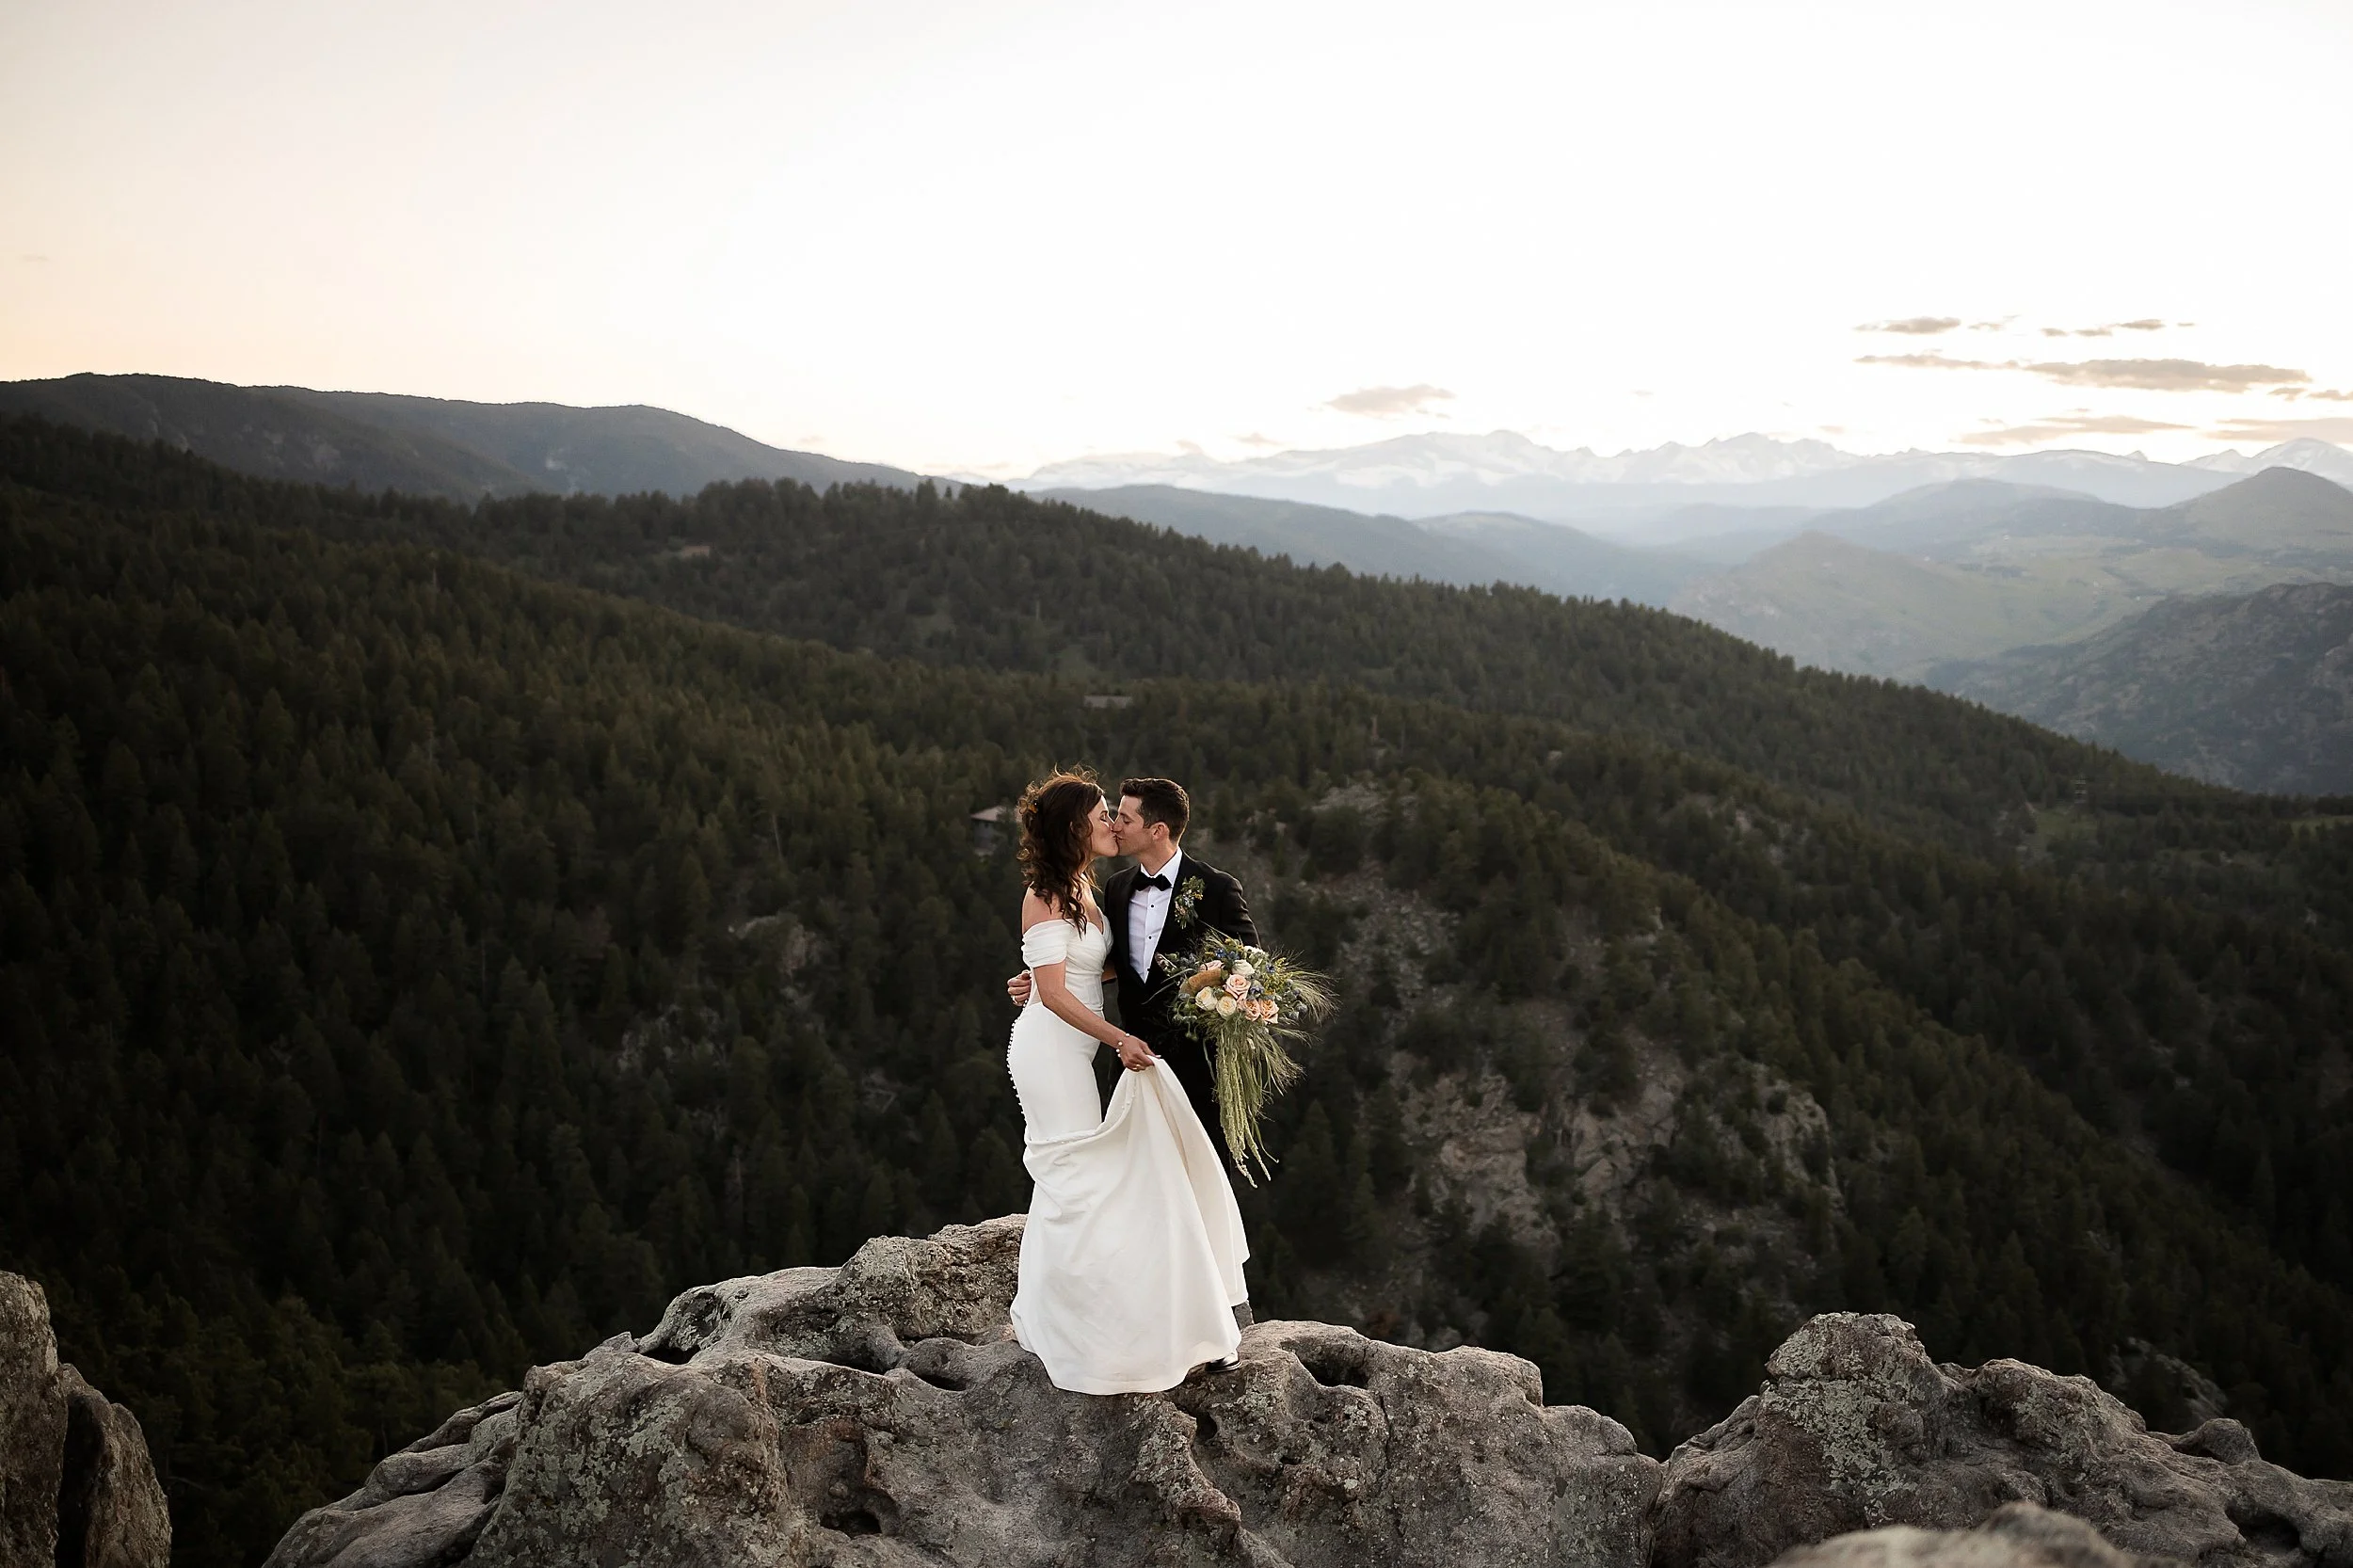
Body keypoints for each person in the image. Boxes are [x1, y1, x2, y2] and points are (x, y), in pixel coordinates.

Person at [1002, 769, 1248, 1394]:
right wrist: (1044, 989)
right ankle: (1084, 1327)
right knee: (1083, 1182)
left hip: (1183, 1059)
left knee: (1175, 1172)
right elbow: (1063, 979)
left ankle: (1208, 1309)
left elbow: (1243, 966)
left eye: (1123, 815)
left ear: (1156, 830)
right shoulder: (1091, 888)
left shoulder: (1201, 888)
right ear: (1076, 828)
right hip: (1096, 1053)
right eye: (1104, 814)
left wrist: (1047, 983)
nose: (1114, 822)